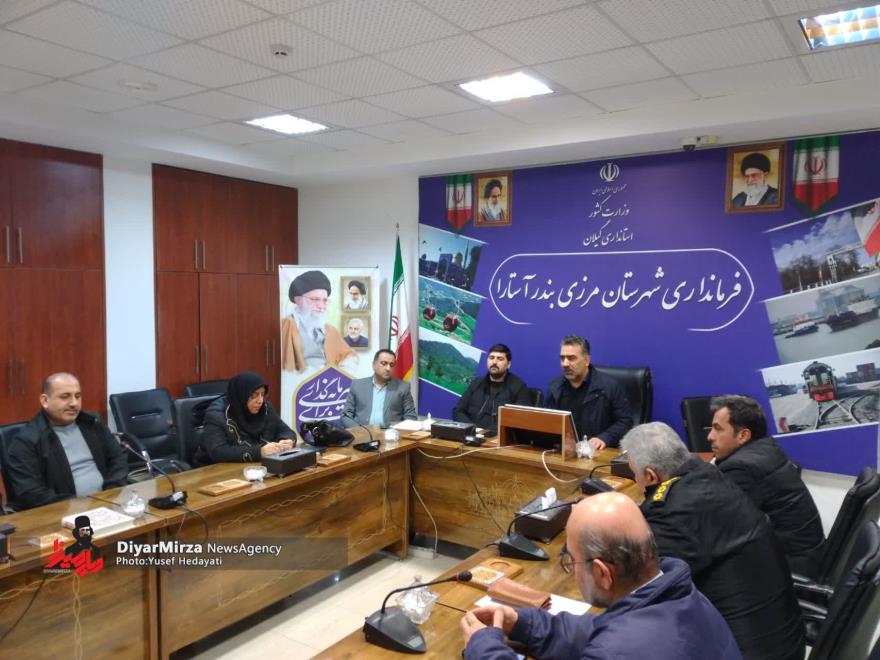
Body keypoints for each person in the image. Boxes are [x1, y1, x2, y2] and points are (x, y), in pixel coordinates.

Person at [460, 492, 741, 660]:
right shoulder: (681, 595)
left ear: (602, 573)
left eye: (571, 561)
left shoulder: (618, 651)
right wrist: (522, 622)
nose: (571, 570)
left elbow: (616, 645)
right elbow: (600, 628)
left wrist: (483, 648)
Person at [621, 422, 805, 660]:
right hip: (783, 638)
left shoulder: (673, 512)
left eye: (634, 474)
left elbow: (639, 580)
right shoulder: (707, 475)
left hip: (747, 651)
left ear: (650, 476)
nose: (636, 480)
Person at [709, 395, 825, 577]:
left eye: (718, 429)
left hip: (790, 568)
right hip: (809, 554)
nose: (710, 436)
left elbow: (721, 527)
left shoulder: (740, 468)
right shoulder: (767, 448)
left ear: (743, 435)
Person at [6, 372, 128, 510]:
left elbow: (118, 458)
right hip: (60, 512)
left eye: (78, 396)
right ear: (45, 401)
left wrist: (110, 493)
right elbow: (31, 493)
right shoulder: (27, 440)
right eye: (65, 397)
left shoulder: (92, 423)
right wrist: (77, 505)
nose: (74, 403)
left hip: (108, 503)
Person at [545, 336, 632, 450]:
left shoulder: (610, 387)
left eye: (571, 358)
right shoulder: (555, 387)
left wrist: (604, 438)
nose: (565, 364)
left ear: (586, 360)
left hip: (597, 453)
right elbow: (547, 422)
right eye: (562, 358)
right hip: (564, 452)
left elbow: (625, 421)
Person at [199, 372, 296, 463]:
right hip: (213, 469)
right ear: (242, 395)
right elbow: (217, 451)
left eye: (262, 394)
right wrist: (259, 452)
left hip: (254, 467)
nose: (260, 401)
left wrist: (287, 441)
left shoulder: (265, 408)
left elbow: (285, 431)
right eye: (254, 395)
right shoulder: (216, 415)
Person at [280, 270, 356, 373]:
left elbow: (348, 355)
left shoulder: (330, 330)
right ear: (298, 300)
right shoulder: (286, 326)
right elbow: (286, 369)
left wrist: (346, 367)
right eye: (315, 299)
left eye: (324, 300)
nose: (321, 306)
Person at [453, 343, 531, 430]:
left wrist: (489, 432)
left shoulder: (519, 387)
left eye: (500, 359)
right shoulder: (476, 383)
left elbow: (520, 421)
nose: (494, 362)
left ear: (508, 364)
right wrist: (472, 429)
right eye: (491, 358)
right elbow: (458, 411)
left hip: (497, 436)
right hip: (471, 433)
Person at [341, 349, 417, 428]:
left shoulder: (402, 387)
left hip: (390, 433)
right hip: (362, 432)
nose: (388, 368)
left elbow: (411, 417)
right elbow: (346, 416)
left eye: (392, 365)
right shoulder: (357, 385)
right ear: (374, 365)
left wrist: (395, 431)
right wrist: (360, 431)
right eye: (384, 363)